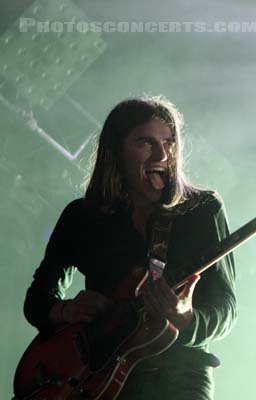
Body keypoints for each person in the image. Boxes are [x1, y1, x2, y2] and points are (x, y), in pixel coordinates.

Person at [23, 96, 237, 400]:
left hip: (178, 374)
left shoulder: (202, 210)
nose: (162, 155)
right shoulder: (82, 216)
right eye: (146, 143)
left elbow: (226, 307)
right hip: (95, 375)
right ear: (117, 152)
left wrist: (186, 317)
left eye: (170, 142)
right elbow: (37, 298)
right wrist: (65, 309)